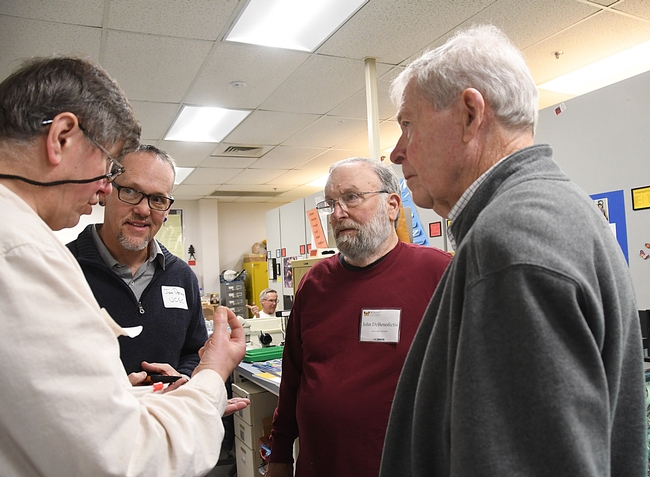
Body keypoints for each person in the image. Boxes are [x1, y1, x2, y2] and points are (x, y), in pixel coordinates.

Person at [380, 24, 645, 477]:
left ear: (469, 113)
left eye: (408, 124)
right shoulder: (552, 209)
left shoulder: (510, 243)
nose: (397, 152)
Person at [0, 56, 248, 476]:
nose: (101, 188)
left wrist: (133, 394)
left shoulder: (178, 275)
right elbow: (128, 459)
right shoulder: (27, 253)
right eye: (112, 172)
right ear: (61, 137)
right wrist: (212, 372)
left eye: (158, 200)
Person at [265, 157, 452, 477]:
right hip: (319, 466)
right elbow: (293, 377)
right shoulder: (315, 282)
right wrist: (278, 452)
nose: (338, 213)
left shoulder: (439, 274)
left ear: (392, 205)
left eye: (351, 197)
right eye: (330, 203)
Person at [67, 144, 206, 383]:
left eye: (158, 199)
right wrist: (114, 393)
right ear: (105, 191)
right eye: (130, 191)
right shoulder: (63, 268)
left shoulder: (182, 276)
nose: (143, 209)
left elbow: (195, 351)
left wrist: (180, 378)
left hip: (167, 416)